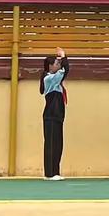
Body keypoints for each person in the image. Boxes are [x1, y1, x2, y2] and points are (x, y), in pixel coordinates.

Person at [39, 47, 70, 181]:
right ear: (50, 66)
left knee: (58, 144)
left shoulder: (56, 81)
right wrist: (63, 57)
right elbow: (65, 71)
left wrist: (61, 59)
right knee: (51, 144)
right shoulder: (49, 79)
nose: (59, 66)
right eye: (56, 64)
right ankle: (50, 173)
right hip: (50, 115)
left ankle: (55, 171)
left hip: (58, 116)